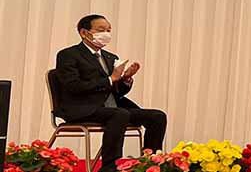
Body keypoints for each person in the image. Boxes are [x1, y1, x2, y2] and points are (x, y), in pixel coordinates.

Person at [55, 15, 167, 172]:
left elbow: (117, 92)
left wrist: (126, 79)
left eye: (108, 30)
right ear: (84, 33)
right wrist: (110, 79)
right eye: (101, 30)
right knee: (119, 114)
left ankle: (150, 163)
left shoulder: (110, 57)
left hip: (112, 107)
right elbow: (73, 86)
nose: (106, 34)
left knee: (157, 116)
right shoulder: (68, 55)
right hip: (81, 107)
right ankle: (109, 167)